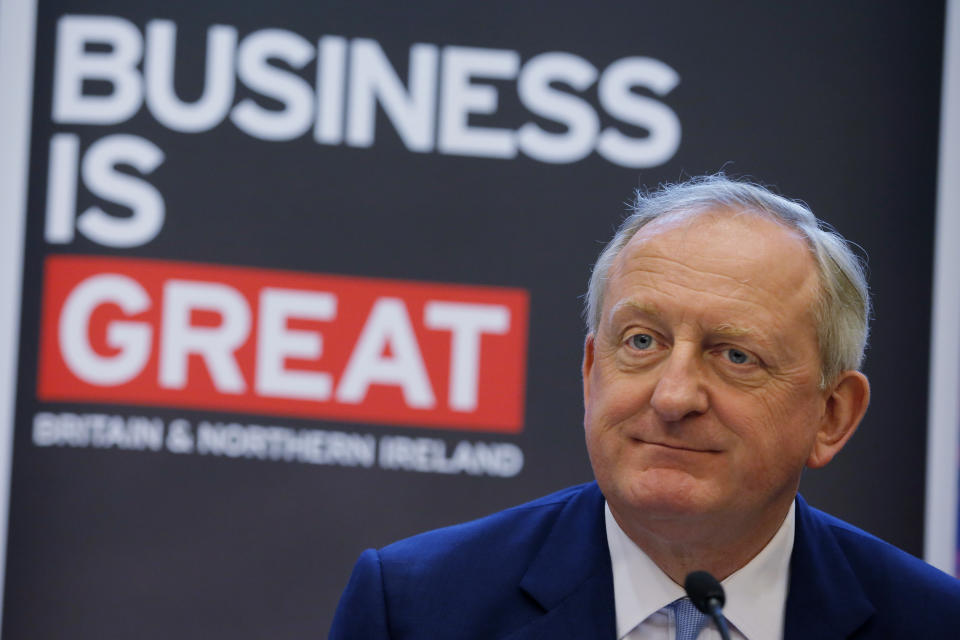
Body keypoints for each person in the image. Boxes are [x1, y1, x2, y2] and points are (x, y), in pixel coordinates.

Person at [329, 176, 960, 639]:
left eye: (735, 356)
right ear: (590, 370)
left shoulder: (932, 623)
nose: (673, 396)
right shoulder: (417, 608)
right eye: (641, 342)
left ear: (833, 416)